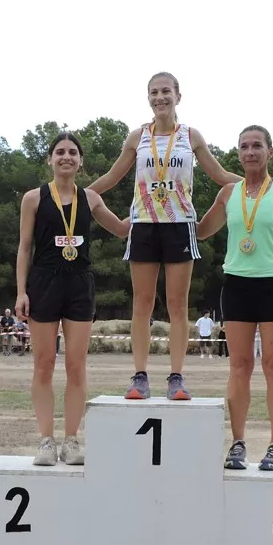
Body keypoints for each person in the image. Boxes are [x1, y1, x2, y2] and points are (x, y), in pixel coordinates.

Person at [87, 72, 242, 401]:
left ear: (178, 96)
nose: (160, 97)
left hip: (180, 223)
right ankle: (139, 375)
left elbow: (219, 175)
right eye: (154, 92)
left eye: (166, 91)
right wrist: (80, 193)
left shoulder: (191, 136)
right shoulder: (137, 137)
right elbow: (114, 176)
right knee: (142, 304)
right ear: (148, 99)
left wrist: (258, 186)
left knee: (177, 305)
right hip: (143, 222)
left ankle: (176, 377)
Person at [196, 125, 273, 471]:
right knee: (239, 365)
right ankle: (238, 442)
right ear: (238, 153)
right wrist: (169, 210)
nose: (250, 152)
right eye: (244, 146)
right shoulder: (228, 193)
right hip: (237, 284)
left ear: (270, 151)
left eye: (257, 146)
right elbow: (201, 230)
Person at [14, 131, 129, 467]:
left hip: (79, 284)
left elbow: (121, 229)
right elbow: (24, 248)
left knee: (76, 365)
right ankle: (46, 441)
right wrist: (21, 291)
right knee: (44, 363)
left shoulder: (90, 198)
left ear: (81, 162)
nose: (66, 157)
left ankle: (72, 440)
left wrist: (151, 208)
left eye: (73, 153)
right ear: (50, 159)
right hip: (44, 282)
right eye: (60, 152)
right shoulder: (33, 198)